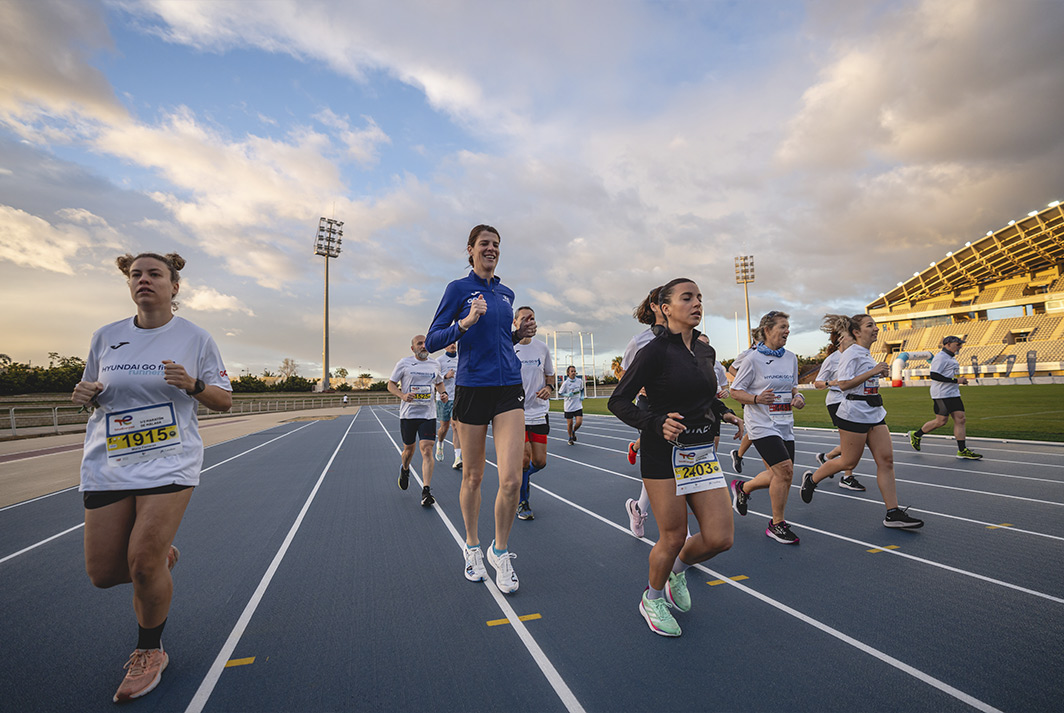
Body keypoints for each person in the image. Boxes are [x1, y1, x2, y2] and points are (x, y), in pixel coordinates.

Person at [72, 252, 232, 703]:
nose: (144, 280)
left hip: (170, 459)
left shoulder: (195, 338)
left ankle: (149, 650)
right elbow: (91, 394)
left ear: (174, 286)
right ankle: (157, 558)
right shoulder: (106, 337)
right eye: (136, 274)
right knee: (104, 573)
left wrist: (194, 386)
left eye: (155, 274)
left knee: (141, 563)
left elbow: (225, 401)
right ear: (128, 283)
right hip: (110, 461)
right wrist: (83, 394)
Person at [609, 278, 742, 637]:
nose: (697, 303)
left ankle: (676, 573)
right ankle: (651, 599)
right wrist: (654, 423)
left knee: (719, 537)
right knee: (672, 537)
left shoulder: (705, 352)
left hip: (700, 452)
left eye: (699, 297)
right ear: (665, 309)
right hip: (662, 453)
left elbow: (703, 396)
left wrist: (723, 411)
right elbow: (617, 401)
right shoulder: (652, 351)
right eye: (688, 298)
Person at [425, 224, 535, 594]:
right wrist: (466, 322)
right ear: (470, 250)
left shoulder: (506, 294)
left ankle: (499, 550)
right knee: (473, 477)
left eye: (496, 245)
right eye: (484, 244)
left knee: (511, 479)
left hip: (508, 389)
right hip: (472, 388)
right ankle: (472, 546)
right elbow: (434, 339)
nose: (491, 249)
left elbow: (502, 338)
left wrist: (519, 333)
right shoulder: (457, 290)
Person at [800, 315, 924, 529]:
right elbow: (844, 384)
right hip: (854, 413)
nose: (876, 329)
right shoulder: (851, 354)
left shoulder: (866, 353)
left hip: (875, 412)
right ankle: (812, 479)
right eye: (870, 326)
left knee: (886, 461)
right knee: (848, 462)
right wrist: (873, 372)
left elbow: (865, 382)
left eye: (875, 325)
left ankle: (892, 513)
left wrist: (876, 375)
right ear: (856, 332)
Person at [728, 311, 806, 545]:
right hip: (761, 424)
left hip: (785, 422)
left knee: (778, 474)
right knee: (785, 472)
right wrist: (755, 399)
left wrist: (799, 396)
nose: (787, 331)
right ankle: (777, 524)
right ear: (767, 330)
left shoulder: (791, 357)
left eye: (788, 327)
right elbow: (735, 391)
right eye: (782, 326)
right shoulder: (752, 359)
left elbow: (793, 387)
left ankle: (744, 488)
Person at [388, 335, 447, 506]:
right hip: (408, 415)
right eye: (419, 344)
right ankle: (405, 469)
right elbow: (390, 384)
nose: (423, 346)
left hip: (428, 414)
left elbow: (439, 383)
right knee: (409, 451)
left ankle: (426, 490)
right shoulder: (404, 363)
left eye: (425, 343)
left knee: (427, 449)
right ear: (412, 348)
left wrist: (444, 394)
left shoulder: (435, 364)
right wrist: (402, 395)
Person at [812, 314, 865, 491]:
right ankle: (847, 477)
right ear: (841, 338)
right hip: (836, 402)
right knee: (850, 441)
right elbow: (818, 383)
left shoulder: (858, 354)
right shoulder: (832, 358)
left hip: (855, 402)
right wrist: (832, 383)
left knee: (853, 442)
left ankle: (827, 457)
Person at [908, 336, 982, 460]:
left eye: (960, 344)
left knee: (961, 419)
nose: (960, 346)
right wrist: (956, 380)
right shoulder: (940, 357)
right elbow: (934, 375)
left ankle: (962, 450)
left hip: (953, 393)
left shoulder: (951, 358)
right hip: (941, 394)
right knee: (941, 421)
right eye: (958, 344)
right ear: (947, 344)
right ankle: (916, 434)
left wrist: (958, 381)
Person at [513, 307, 554, 521]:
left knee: (539, 463)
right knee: (523, 461)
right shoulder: (509, 348)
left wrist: (549, 388)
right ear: (515, 323)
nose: (529, 322)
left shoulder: (542, 348)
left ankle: (518, 479)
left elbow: (550, 376)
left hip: (539, 412)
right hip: (516, 413)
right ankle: (522, 502)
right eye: (524, 318)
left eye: (532, 318)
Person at [620, 287, 666, 467]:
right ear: (654, 306)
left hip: (680, 405)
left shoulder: (689, 338)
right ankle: (647, 496)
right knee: (657, 456)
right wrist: (639, 386)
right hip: (650, 406)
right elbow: (625, 377)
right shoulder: (639, 341)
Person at [726, 325, 765, 474]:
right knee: (758, 428)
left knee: (758, 428)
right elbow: (731, 368)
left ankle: (739, 454)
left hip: (768, 398)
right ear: (755, 338)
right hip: (750, 397)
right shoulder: (748, 354)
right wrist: (743, 380)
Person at [434, 342, 461, 466]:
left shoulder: (461, 358)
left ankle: (457, 459)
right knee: (444, 427)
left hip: (458, 398)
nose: (453, 346)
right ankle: (440, 443)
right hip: (443, 398)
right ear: (445, 346)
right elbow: (434, 380)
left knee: (456, 426)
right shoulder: (439, 361)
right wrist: (446, 376)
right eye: (450, 344)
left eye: (454, 343)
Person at [558, 365, 585, 445]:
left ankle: (573, 431)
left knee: (579, 422)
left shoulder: (579, 381)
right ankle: (570, 438)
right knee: (570, 424)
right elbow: (560, 393)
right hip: (569, 406)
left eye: (574, 371)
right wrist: (567, 395)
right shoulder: (565, 383)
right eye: (572, 371)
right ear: (568, 373)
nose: (573, 373)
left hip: (578, 405)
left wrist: (582, 395)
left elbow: (582, 389)